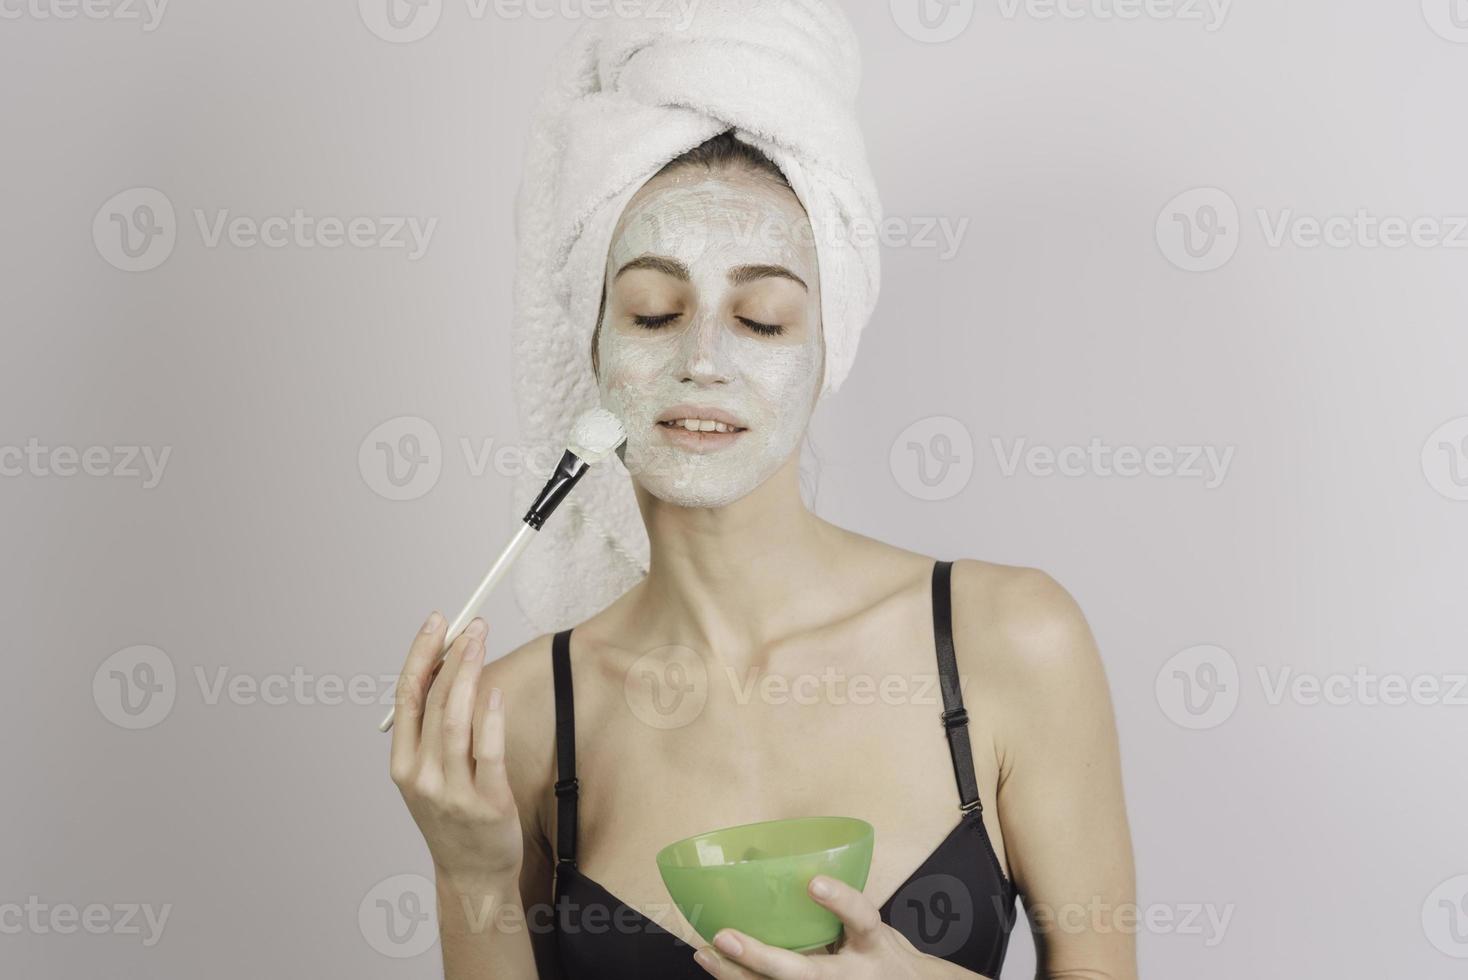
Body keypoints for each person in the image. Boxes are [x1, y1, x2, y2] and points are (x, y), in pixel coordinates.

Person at [388, 130, 1139, 979]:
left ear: (827, 352)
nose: (702, 359)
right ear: (595, 352)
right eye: (653, 313)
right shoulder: (514, 718)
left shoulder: (1008, 640)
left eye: (762, 320)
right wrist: (469, 872)